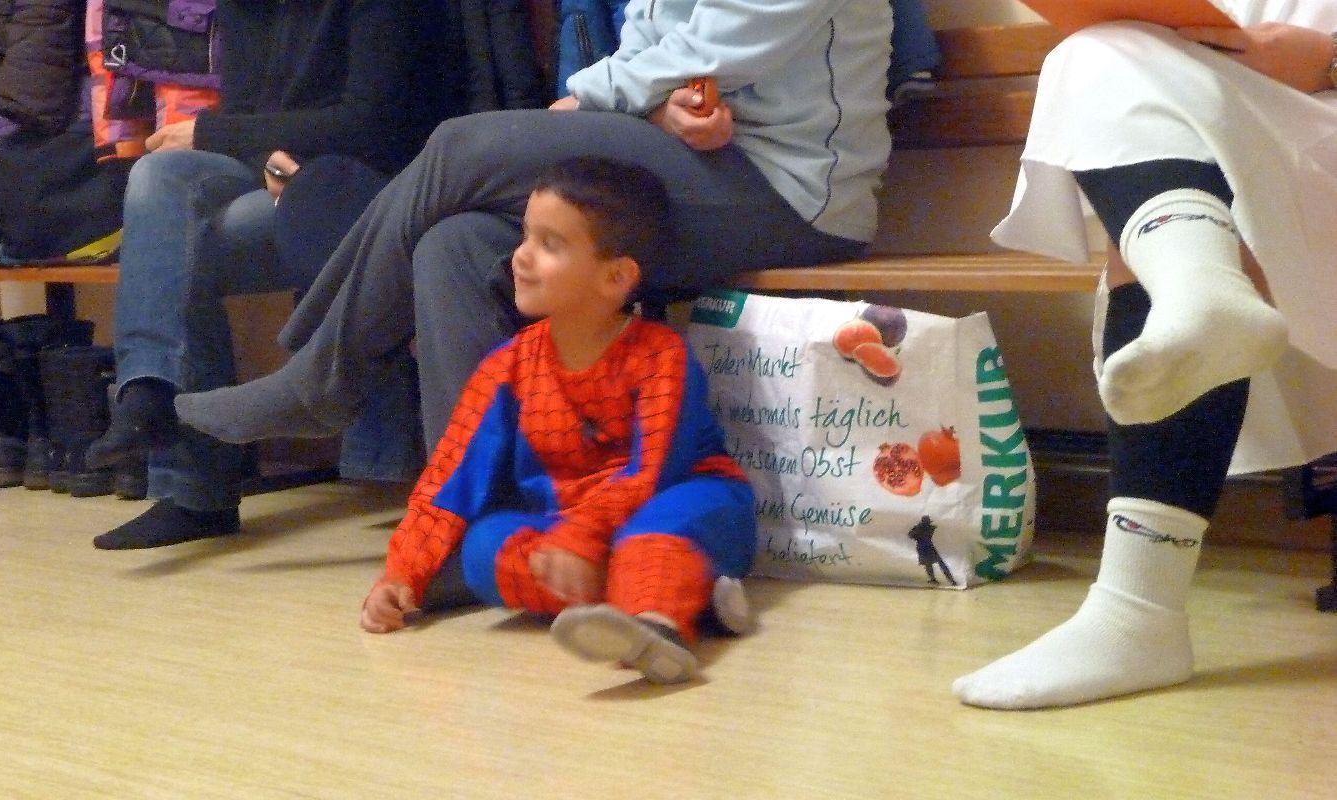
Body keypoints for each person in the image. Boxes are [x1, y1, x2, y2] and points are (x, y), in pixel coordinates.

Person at [172, 0, 893, 463]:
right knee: (455, 242)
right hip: (698, 167)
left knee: (463, 146)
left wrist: (584, 101)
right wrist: (653, 109)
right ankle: (470, 516)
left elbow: (724, 42)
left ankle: (320, 376)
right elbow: (654, 51)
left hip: (791, 195)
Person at [952, 1, 1337, 709]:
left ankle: (1139, 612)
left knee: (1171, 180)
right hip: (1261, 133)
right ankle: (1199, 287)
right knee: (1104, 58)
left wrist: (1328, 59)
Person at [359, 157, 756, 685]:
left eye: (549, 244)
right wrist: (401, 573)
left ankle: (658, 628)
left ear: (616, 277)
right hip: (572, 529)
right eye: (526, 235)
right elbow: (450, 478)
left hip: (681, 505)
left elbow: (651, 474)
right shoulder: (507, 367)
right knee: (484, 548)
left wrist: (584, 538)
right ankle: (681, 598)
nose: (521, 256)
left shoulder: (661, 356)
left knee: (658, 529)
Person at [83, 0, 462, 549]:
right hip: (277, 174)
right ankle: (149, 392)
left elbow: (375, 124)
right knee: (159, 178)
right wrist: (266, 157)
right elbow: (249, 117)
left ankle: (192, 481)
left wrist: (220, 135)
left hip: (371, 184)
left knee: (180, 245)